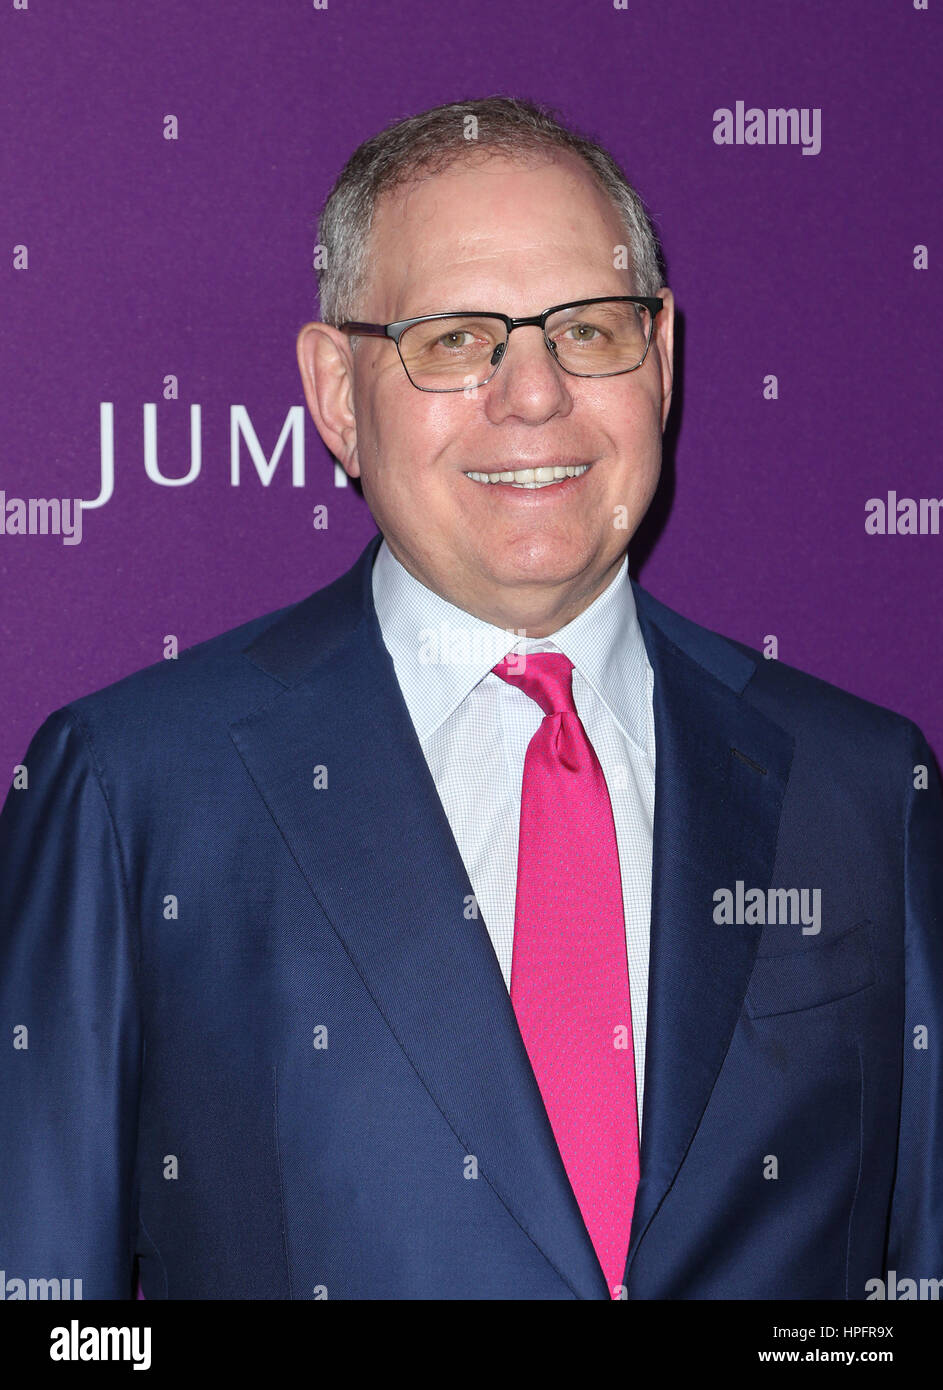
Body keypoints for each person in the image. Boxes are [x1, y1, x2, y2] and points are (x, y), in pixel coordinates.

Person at [1, 96, 940, 1301]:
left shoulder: (861, 787)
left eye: (588, 329)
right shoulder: (133, 790)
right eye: (454, 339)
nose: (534, 394)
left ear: (663, 359)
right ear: (339, 393)